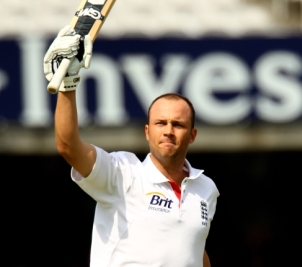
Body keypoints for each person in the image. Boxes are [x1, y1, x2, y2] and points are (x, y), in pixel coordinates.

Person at [44, 26, 220, 267]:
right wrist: (67, 85)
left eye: (178, 124)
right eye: (160, 123)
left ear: (192, 135)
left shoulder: (206, 188)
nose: (168, 130)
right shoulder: (123, 173)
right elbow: (68, 146)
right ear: (147, 132)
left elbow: (193, 249)